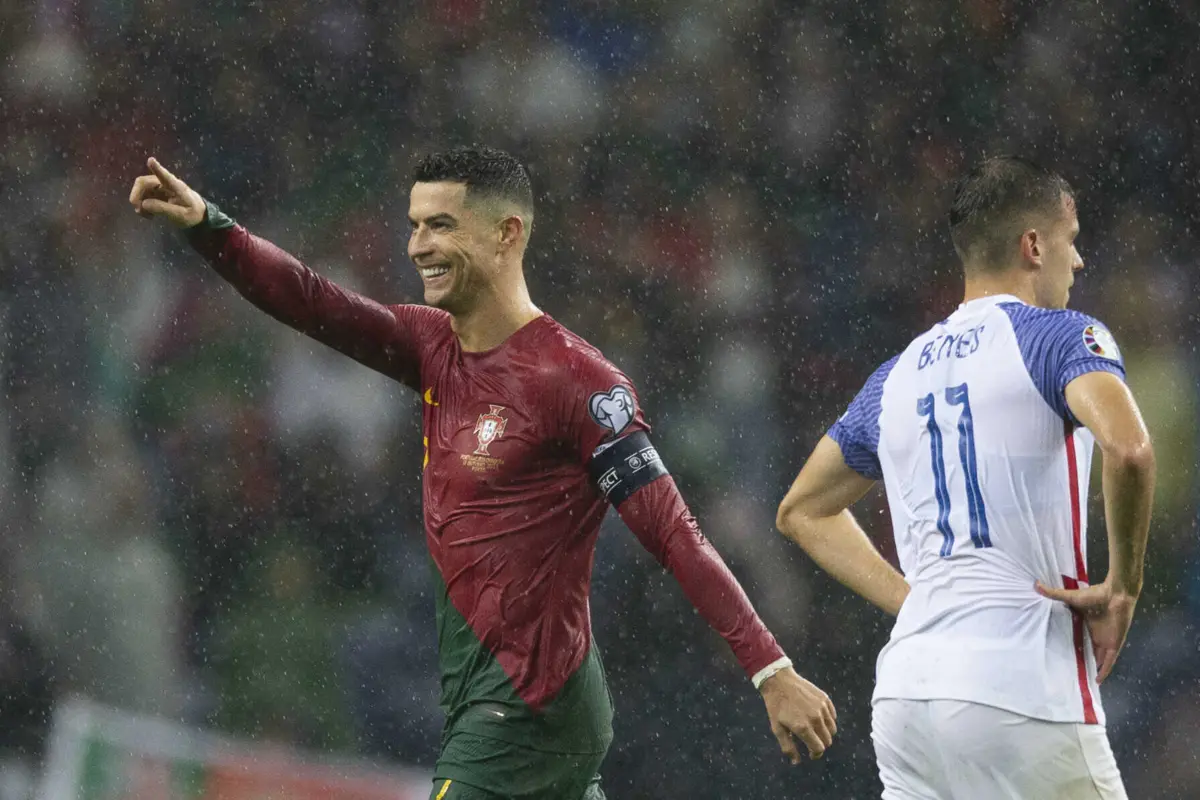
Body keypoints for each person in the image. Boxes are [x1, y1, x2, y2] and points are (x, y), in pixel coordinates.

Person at [128, 147, 837, 799]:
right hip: (488, 694)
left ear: (506, 235)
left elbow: (674, 533)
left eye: (440, 225)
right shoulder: (431, 346)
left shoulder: (578, 381)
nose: (417, 247)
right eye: (413, 226)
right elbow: (313, 300)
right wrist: (209, 228)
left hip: (531, 706)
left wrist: (770, 669)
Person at [775, 156, 1154, 799]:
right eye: (1073, 240)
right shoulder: (1061, 337)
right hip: (1022, 690)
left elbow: (801, 511)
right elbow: (1131, 449)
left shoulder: (892, 377)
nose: (1080, 261)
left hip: (908, 701)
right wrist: (1124, 586)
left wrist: (917, 603)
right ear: (1034, 246)